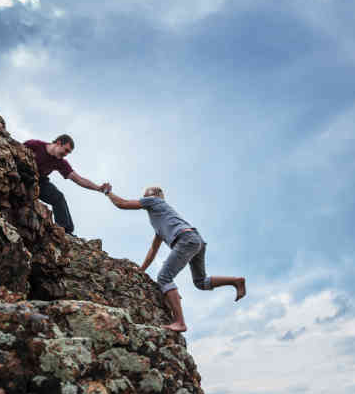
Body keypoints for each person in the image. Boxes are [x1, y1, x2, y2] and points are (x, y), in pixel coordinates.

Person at [104, 186, 246, 332]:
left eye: (147, 194)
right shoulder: (160, 220)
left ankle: (180, 322)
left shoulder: (155, 201)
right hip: (196, 240)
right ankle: (235, 281)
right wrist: (141, 270)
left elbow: (123, 204)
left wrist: (108, 192)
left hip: (186, 239)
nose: (144, 196)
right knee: (200, 282)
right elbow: (153, 250)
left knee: (164, 278)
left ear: (157, 195)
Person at [24, 134, 111, 234]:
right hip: (27, 174)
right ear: (58, 143)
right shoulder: (35, 145)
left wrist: (98, 188)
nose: (66, 154)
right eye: (66, 150)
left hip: (41, 181)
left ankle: (65, 230)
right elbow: (16, 150)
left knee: (59, 197)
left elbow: (78, 179)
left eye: (68, 153)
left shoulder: (60, 162)